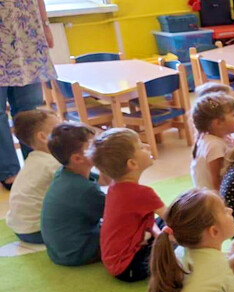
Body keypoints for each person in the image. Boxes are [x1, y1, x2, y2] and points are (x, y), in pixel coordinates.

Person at [0, 0, 57, 190]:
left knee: (30, 109)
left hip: (25, 37)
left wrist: (45, 24)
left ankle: (38, 163)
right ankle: (9, 171)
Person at [91, 128, 164, 282]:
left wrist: (156, 232)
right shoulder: (142, 193)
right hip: (129, 267)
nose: (147, 146)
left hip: (115, 262)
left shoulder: (114, 187)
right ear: (132, 163)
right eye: (141, 147)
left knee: (163, 225)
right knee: (179, 226)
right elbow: (174, 217)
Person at [40, 122, 104, 266]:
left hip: (60, 251)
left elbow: (104, 180)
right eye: (95, 146)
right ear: (77, 158)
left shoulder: (64, 172)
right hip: (77, 252)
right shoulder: (84, 189)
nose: (100, 148)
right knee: (132, 233)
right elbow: (118, 216)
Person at [5, 108, 60, 243]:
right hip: (38, 230)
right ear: (42, 137)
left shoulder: (34, 159)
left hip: (20, 228)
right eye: (60, 130)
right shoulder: (52, 164)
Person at [190, 92, 234, 191]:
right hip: (215, 199)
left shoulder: (210, 138)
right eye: (233, 115)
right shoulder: (214, 146)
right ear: (218, 123)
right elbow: (218, 181)